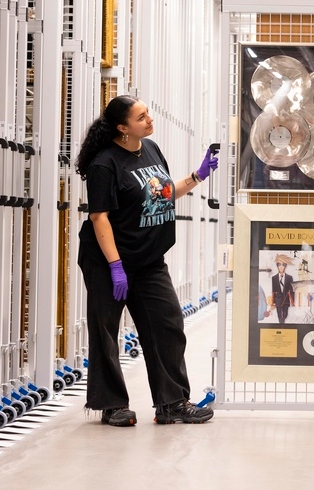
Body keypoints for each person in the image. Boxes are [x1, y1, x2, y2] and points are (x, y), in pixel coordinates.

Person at [74, 94, 218, 427]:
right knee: (106, 332)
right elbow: (99, 218)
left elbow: (162, 193)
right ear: (122, 128)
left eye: (148, 114)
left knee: (167, 324)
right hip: (109, 260)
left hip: (148, 259)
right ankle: (112, 406)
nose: (149, 120)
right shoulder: (104, 164)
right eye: (141, 117)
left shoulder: (150, 150)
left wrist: (197, 176)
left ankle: (171, 403)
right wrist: (115, 266)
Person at [271, 255, 295, 324]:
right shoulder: (274, 278)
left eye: (283, 264)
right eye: (279, 264)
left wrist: (292, 301)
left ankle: (283, 324)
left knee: (285, 315)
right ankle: (281, 325)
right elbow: (273, 291)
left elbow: (292, 290)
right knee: (279, 315)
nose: (281, 266)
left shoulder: (289, 277)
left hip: (286, 300)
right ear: (277, 266)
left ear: (285, 266)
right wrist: (273, 303)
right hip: (278, 301)